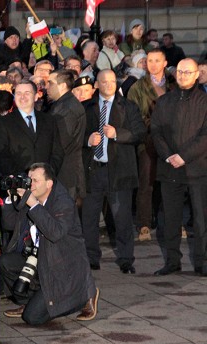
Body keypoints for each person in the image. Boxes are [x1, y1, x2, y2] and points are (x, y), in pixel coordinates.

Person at [0, 163, 99, 324]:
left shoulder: (63, 202)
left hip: (63, 270)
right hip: (41, 261)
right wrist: (11, 199)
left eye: (35, 180)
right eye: (29, 179)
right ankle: (29, 302)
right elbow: (10, 224)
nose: (30, 184)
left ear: (49, 183)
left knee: (32, 318)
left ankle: (84, 296)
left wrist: (34, 205)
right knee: (5, 262)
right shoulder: (34, 196)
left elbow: (55, 233)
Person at [81, 69, 145, 273]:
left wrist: (118, 133)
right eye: (103, 81)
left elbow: (140, 133)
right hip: (94, 170)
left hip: (119, 171)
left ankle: (126, 258)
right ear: (97, 84)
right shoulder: (87, 108)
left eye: (111, 81)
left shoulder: (128, 107)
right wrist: (87, 140)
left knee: (122, 217)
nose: (108, 85)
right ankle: (91, 257)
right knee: (89, 218)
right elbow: (74, 135)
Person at [151, 58, 207, 276]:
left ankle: (202, 262)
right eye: (180, 71)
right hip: (169, 169)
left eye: (188, 72)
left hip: (197, 169)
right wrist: (169, 156)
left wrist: (183, 156)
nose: (183, 75)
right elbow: (155, 131)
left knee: (201, 220)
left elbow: (205, 136)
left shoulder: (204, 101)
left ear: (197, 75)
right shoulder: (164, 101)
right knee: (171, 219)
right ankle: (172, 261)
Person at [127, 48, 177, 242]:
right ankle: (144, 224)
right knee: (146, 182)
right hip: (147, 141)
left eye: (157, 60)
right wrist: (151, 122)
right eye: (150, 61)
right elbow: (132, 115)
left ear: (165, 63)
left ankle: (174, 223)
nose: (153, 64)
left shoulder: (174, 85)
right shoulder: (138, 87)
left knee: (172, 183)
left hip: (172, 142)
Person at [0, 79, 63, 194]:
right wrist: (22, 179)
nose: (22, 97)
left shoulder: (49, 120)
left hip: (46, 188)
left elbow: (58, 152)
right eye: (18, 93)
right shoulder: (3, 123)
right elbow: (1, 155)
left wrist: (47, 176)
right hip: (18, 188)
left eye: (27, 93)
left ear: (36, 97)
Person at [46, 69, 86, 201]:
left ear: (62, 85)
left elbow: (60, 143)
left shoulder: (66, 109)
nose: (47, 87)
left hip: (65, 175)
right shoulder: (62, 105)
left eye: (50, 83)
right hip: (65, 173)